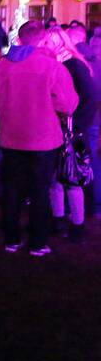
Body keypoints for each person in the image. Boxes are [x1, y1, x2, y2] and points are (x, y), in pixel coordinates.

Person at [0, 20, 78, 256]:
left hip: (10, 137)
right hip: (43, 139)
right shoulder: (52, 67)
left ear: (19, 39)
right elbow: (67, 104)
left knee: (12, 190)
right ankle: (38, 243)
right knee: (40, 191)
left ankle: (11, 238)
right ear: (43, 39)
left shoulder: (1, 67)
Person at [41, 27, 95, 242]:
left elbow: (90, 97)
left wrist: (77, 126)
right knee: (56, 177)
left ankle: (76, 225)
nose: (46, 45)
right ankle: (59, 220)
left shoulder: (72, 64)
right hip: (56, 127)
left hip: (70, 129)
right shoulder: (60, 63)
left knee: (70, 177)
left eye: (49, 42)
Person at [71, 24, 101, 218]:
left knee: (75, 162)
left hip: (78, 119)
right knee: (91, 161)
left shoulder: (74, 63)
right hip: (94, 119)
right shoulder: (95, 61)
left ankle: (78, 206)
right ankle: (94, 205)